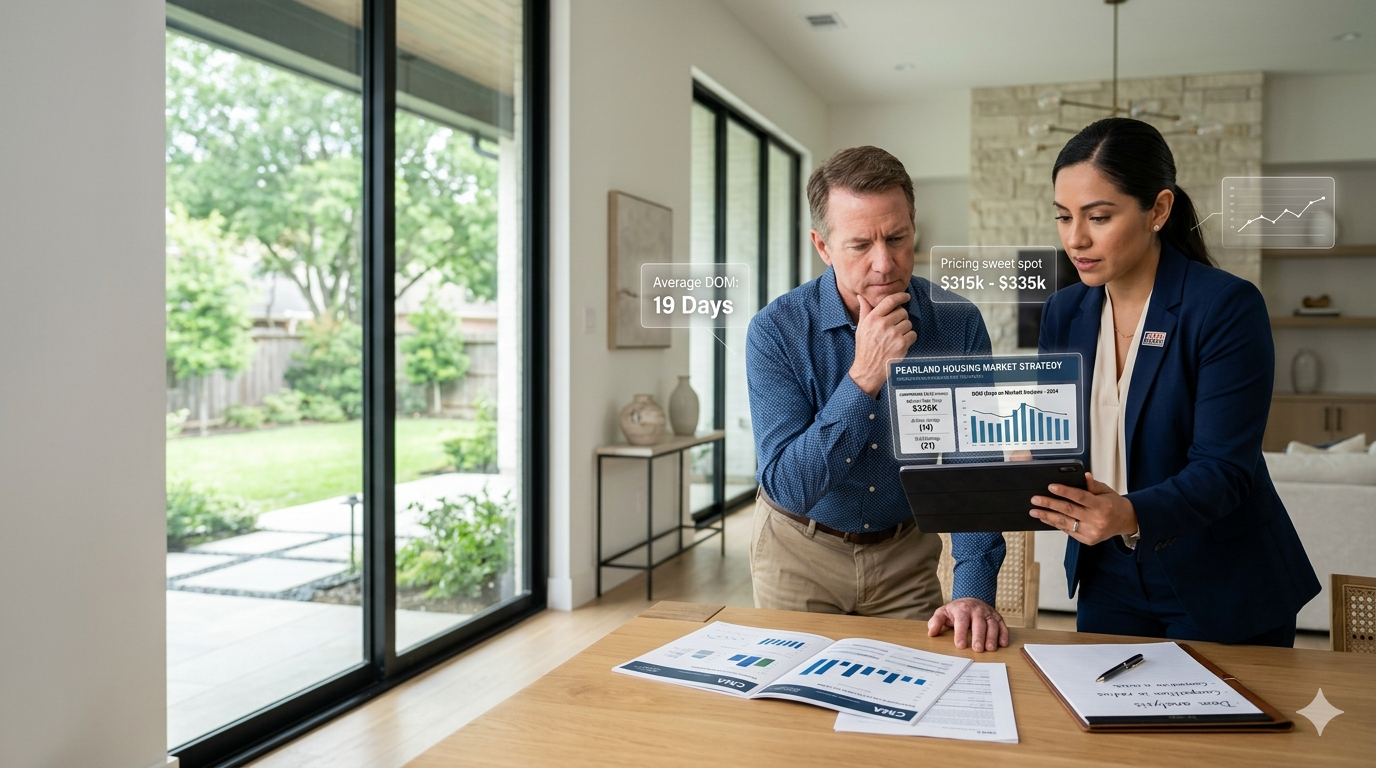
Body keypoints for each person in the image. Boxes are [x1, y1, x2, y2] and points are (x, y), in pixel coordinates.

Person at [1031, 117, 1320, 646]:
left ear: (1158, 210)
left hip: (1220, 574)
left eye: (1098, 217)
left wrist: (1129, 512)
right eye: (1063, 216)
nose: (1076, 238)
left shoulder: (1225, 306)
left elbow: (1224, 469)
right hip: (1108, 575)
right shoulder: (1063, 311)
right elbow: (1057, 437)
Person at [746, 145, 1008, 652]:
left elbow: (972, 466)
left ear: (914, 226)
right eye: (860, 244)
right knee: (792, 721)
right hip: (798, 554)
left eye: (897, 238)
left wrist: (973, 591)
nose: (884, 263)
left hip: (904, 556)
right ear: (823, 246)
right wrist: (863, 378)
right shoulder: (776, 331)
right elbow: (785, 486)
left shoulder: (958, 325)